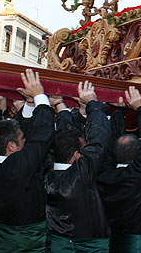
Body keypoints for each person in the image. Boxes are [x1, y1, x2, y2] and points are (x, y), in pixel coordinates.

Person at [0, 69, 55, 253]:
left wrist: (30, 104)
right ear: (12, 147)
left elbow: (19, 135)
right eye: (23, 141)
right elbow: (40, 138)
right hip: (27, 243)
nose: (26, 142)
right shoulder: (15, 168)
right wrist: (40, 97)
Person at [45, 80, 111, 252]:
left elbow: (64, 137)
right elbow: (98, 142)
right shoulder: (79, 177)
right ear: (77, 156)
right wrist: (93, 105)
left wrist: (63, 107)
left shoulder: (45, 172)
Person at [97, 86, 141, 252]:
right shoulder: (138, 174)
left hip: (114, 242)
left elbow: (110, 149)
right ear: (139, 153)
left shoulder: (104, 176)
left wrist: (119, 112)